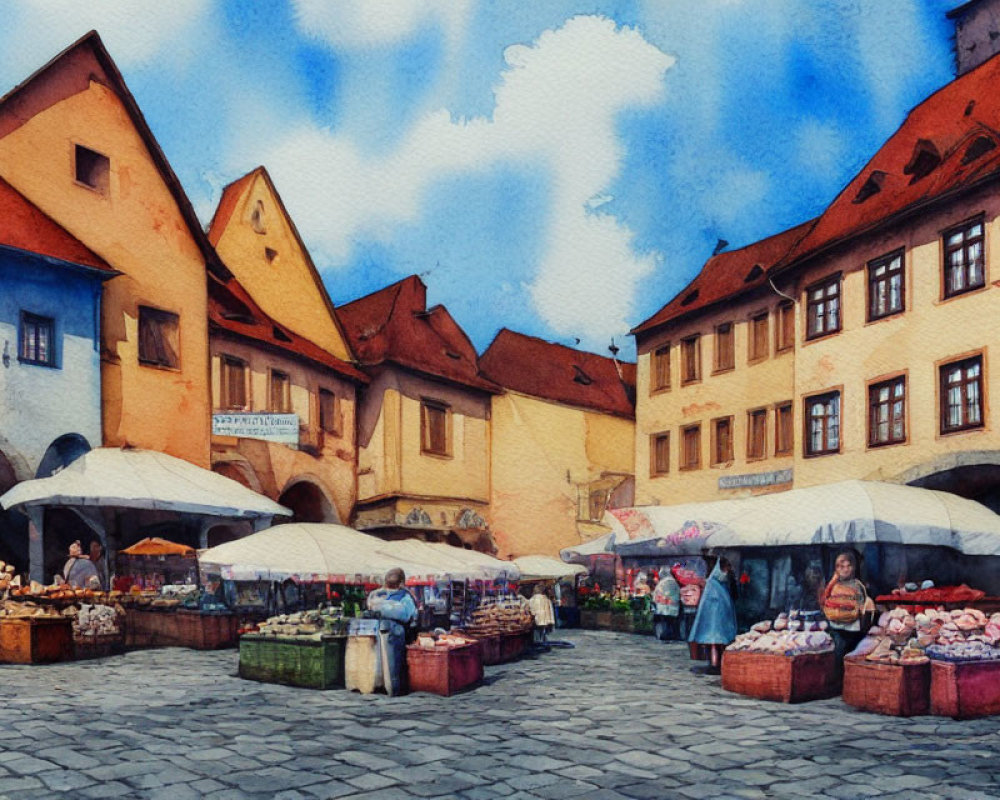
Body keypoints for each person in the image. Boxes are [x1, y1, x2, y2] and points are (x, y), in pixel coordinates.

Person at [821, 550, 875, 678]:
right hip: (836, 626)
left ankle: (847, 680)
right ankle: (838, 681)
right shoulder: (834, 584)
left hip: (853, 627)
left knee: (850, 654)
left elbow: (863, 605)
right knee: (839, 653)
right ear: (836, 569)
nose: (845, 570)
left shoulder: (857, 585)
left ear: (854, 567)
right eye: (840, 567)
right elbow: (825, 600)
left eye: (848, 566)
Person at [366, 567, 419, 696]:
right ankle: (394, 689)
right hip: (395, 631)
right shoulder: (405, 596)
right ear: (401, 581)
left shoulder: (375, 594)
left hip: (376, 629)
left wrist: (381, 608)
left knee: (379, 660)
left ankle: (378, 686)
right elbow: (409, 615)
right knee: (393, 662)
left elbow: (370, 607)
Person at [687, 558, 738, 675]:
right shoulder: (716, 584)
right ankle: (715, 664)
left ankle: (715, 664)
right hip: (714, 622)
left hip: (715, 621)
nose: (726, 572)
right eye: (724, 569)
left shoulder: (717, 584)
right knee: (714, 644)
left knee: (716, 644)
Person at [652, 566, 682, 641]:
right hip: (673, 606)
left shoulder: (662, 583)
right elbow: (678, 594)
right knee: (671, 622)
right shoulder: (673, 582)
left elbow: (657, 594)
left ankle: (664, 635)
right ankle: (670, 635)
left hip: (663, 606)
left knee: (665, 621)